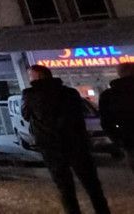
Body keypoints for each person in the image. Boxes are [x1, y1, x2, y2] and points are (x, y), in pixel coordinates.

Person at [22, 65, 109, 214]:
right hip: (76, 143)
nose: (29, 78)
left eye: (31, 75)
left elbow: (25, 114)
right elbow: (79, 115)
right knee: (92, 185)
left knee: (65, 188)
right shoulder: (70, 93)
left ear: (37, 76)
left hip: (51, 146)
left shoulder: (30, 94)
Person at [100, 62, 134, 173]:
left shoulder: (109, 95)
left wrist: (118, 140)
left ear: (119, 73)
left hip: (129, 140)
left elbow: (106, 122)